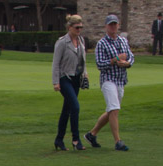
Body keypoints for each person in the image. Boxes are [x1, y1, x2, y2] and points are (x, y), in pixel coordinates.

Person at [84, 14, 134, 151]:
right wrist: (116, 59)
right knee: (114, 109)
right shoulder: (102, 44)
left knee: (112, 110)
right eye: (110, 24)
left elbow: (131, 56)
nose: (113, 27)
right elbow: (100, 64)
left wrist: (127, 63)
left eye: (115, 24)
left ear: (118, 25)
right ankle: (118, 141)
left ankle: (91, 134)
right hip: (108, 80)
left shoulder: (123, 41)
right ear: (106, 26)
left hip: (121, 80)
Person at [51, 15, 88, 151]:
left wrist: (85, 73)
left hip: (76, 78)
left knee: (66, 110)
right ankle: (76, 139)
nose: (79, 30)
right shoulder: (62, 42)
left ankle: (59, 139)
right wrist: (55, 82)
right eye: (77, 27)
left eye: (81, 27)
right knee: (75, 107)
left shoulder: (81, 41)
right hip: (64, 78)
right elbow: (55, 63)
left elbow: (82, 59)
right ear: (69, 27)